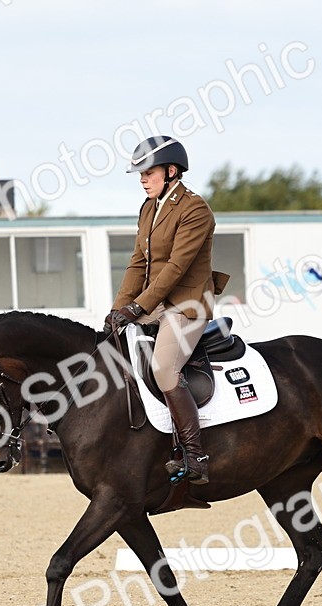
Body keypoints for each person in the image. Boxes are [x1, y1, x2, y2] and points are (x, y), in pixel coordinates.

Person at [105, 136, 228, 485]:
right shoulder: (148, 208)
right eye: (140, 174)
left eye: (148, 172)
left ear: (171, 171)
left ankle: (195, 455)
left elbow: (175, 268)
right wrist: (118, 310)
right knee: (109, 349)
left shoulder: (195, 210)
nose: (142, 179)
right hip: (154, 302)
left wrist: (136, 307)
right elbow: (138, 263)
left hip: (186, 304)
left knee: (163, 369)